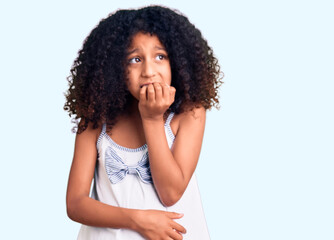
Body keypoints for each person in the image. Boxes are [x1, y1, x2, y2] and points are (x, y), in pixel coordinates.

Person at [64, 5, 222, 240]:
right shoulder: (97, 119)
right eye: (135, 59)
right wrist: (138, 220)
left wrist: (152, 118)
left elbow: (170, 193)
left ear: (177, 63)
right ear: (116, 68)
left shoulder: (190, 113)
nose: (149, 71)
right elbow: (75, 204)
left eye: (160, 56)